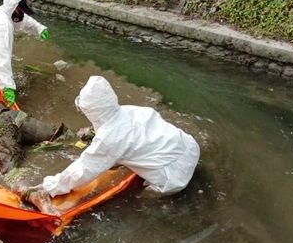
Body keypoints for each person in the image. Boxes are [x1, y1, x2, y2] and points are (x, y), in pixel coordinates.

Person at [40, 76, 200, 201]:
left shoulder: (110, 139)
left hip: (174, 176)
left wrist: (49, 187)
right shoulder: (131, 110)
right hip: (189, 146)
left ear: (92, 112)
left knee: (139, 201)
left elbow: (82, 171)